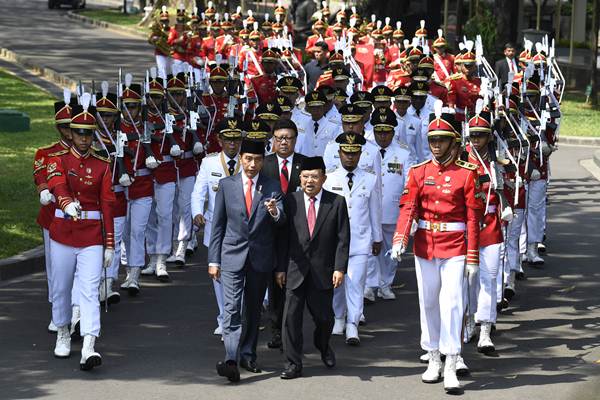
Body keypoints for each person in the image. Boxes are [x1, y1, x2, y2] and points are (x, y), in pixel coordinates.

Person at [390, 106, 483, 393]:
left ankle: (452, 361)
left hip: (455, 247)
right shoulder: (419, 172)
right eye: (432, 140)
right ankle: (433, 357)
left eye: (442, 140)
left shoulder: (467, 174)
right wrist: (399, 239)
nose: (436, 145)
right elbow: (409, 208)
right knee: (428, 302)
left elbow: (473, 217)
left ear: (454, 142)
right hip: (425, 246)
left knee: (452, 302)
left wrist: (472, 256)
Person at [46, 97, 116, 370]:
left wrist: (109, 243)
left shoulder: (102, 164)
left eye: (88, 134)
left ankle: (89, 344)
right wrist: (65, 203)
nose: (84, 139)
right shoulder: (58, 160)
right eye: (79, 133)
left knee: (89, 289)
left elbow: (108, 204)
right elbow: (57, 184)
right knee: (62, 287)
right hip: (63, 232)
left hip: (91, 236)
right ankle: (63, 331)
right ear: (71, 133)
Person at [208, 137, 286, 382]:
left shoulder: (272, 186)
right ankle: (231, 358)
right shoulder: (227, 185)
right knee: (231, 308)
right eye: (248, 159)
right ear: (241, 160)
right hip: (231, 255)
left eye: (258, 160)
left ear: (263, 161)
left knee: (252, 310)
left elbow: (282, 221)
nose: (253, 164)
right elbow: (217, 225)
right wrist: (213, 260)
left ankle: (247, 354)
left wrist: (274, 212)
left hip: (260, 257)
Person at [279, 156, 350, 379]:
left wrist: (340, 268)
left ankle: (323, 344)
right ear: (300, 178)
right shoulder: (290, 201)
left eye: (315, 176)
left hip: (323, 271)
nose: (310, 181)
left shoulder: (336, 202)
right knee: (290, 318)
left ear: (323, 178)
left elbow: (342, 238)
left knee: (324, 318)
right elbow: (282, 238)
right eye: (306, 177)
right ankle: (293, 363)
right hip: (294, 270)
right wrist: (280, 268)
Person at [323, 132, 382, 344]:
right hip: (334, 242)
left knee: (356, 282)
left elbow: (374, 210)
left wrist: (377, 237)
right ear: (339, 153)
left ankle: (353, 324)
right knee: (336, 282)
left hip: (360, 240)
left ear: (360, 154)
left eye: (354, 153)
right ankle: (338, 317)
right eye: (346, 153)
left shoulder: (370, 178)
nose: (350, 157)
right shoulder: (328, 179)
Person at [191, 118, 243, 337]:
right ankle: (224, 317)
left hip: (242, 228)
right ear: (219, 140)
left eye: (236, 139)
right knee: (218, 274)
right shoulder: (209, 163)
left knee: (242, 274)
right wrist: (197, 213)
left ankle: (239, 316)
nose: (232, 144)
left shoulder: (248, 160)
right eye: (228, 139)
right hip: (216, 227)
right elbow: (198, 191)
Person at [260, 119, 307, 349]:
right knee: (275, 283)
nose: (283, 142)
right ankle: (277, 329)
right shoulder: (264, 164)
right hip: (271, 232)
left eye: (288, 138)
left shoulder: (305, 164)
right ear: (273, 141)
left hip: (299, 231)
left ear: (295, 140)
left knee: (298, 283)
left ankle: (295, 329)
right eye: (279, 138)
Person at [33, 93, 73, 333]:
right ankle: (57, 308)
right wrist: (43, 190)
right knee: (55, 268)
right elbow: (40, 176)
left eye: (73, 126)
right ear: (59, 128)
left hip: (81, 219)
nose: (69, 131)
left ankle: (77, 311)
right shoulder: (45, 152)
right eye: (65, 126)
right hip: (53, 218)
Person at [364, 108, 412, 302]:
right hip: (369, 209)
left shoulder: (403, 153)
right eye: (379, 132)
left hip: (393, 209)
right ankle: (369, 285)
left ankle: (385, 284)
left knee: (392, 250)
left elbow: (408, 182)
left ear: (393, 131)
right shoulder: (365, 150)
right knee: (368, 249)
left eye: (387, 132)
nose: (383, 136)